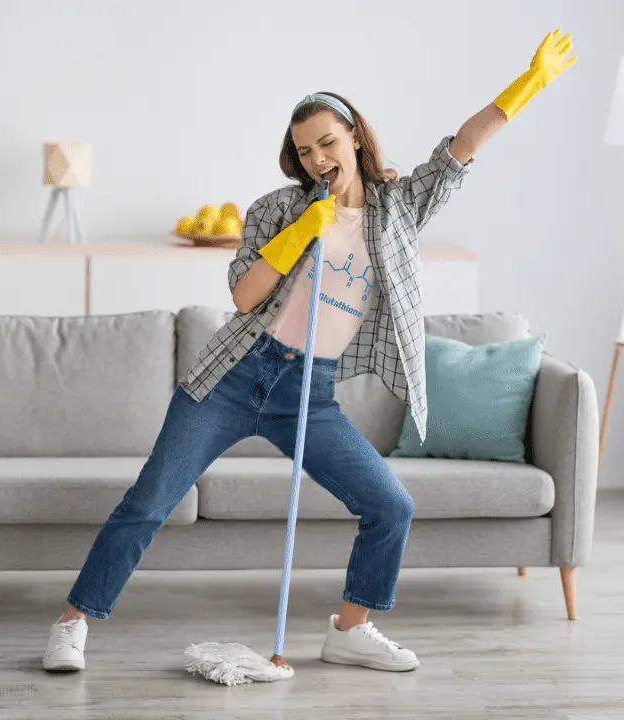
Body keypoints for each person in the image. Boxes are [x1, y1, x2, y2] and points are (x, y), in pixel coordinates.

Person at [43, 29, 577, 674]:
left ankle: (351, 629)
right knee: (148, 504)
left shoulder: (399, 206)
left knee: (390, 505)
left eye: (328, 141)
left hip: (310, 392)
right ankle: (74, 623)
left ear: (354, 137)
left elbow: (460, 148)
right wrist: (302, 230)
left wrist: (528, 84)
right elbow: (244, 297)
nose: (319, 156)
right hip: (234, 377)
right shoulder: (276, 210)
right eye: (305, 151)